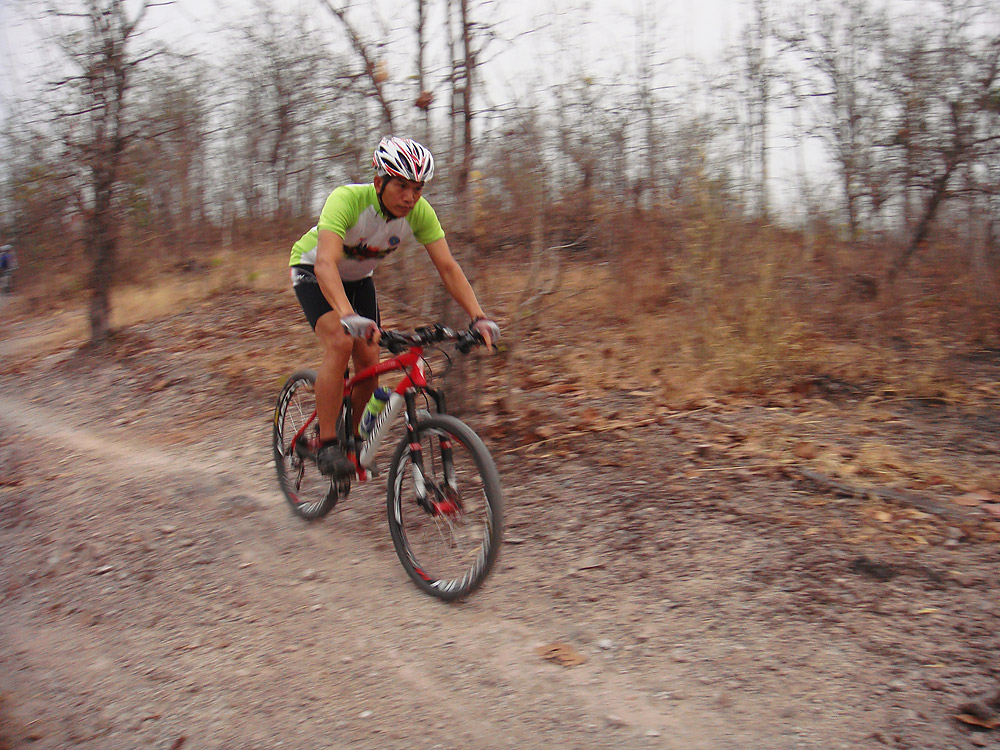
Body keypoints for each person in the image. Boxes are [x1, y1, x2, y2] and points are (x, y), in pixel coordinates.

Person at [288, 136, 500, 479]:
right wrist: (347, 315)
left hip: (359, 280)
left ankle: (352, 438)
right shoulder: (347, 200)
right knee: (341, 342)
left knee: (369, 360)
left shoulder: (420, 213)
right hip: (314, 271)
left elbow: (448, 267)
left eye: (417, 189)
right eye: (401, 186)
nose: (410, 197)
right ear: (378, 182)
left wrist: (479, 317)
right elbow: (326, 264)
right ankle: (326, 443)